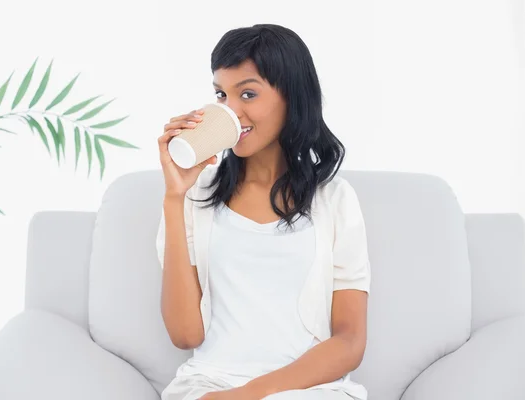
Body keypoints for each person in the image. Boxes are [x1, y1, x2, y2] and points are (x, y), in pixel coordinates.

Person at [156, 23, 371, 400]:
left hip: (307, 390)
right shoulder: (194, 196)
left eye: (248, 94)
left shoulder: (335, 200)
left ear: (292, 98)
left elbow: (350, 342)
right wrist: (174, 197)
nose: (231, 111)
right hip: (209, 384)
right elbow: (185, 335)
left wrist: (249, 395)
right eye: (221, 94)